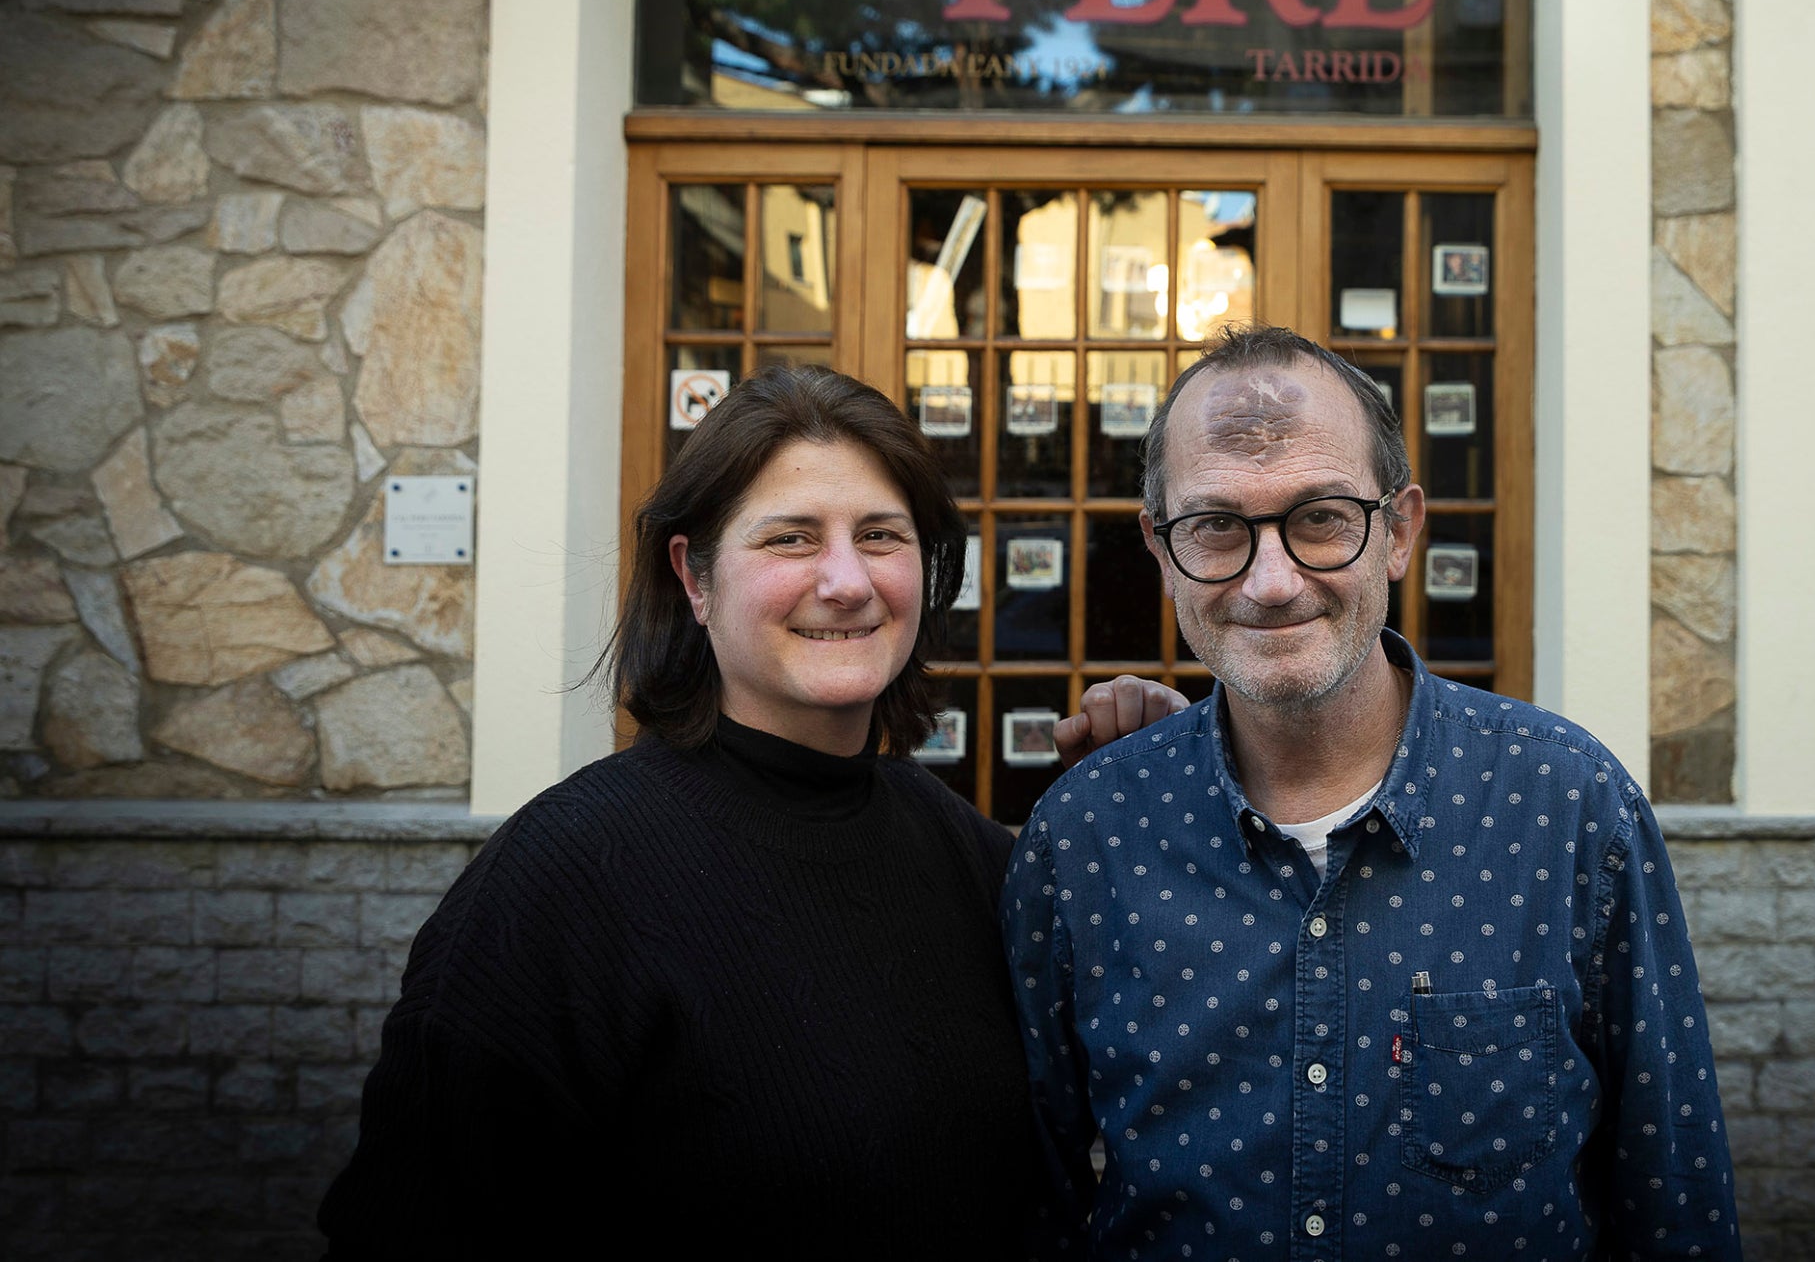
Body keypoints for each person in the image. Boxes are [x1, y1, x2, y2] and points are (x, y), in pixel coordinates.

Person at [1003, 324, 1743, 1258]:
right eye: (1217, 525)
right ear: (1160, 547)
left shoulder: (1569, 806)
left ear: (1397, 531)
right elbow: (1033, 1202)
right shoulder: (1087, 836)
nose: (1271, 583)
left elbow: (1674, 1194)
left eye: (1319, 516)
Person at [320, 366, 1050, 1256]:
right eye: (790, 538)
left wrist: (1161, 785)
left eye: (881, 535)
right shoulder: (565, 879)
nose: (848, 579)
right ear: (695, 578)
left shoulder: (956, 845)